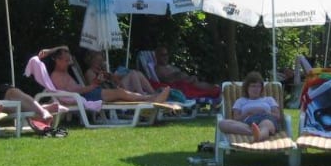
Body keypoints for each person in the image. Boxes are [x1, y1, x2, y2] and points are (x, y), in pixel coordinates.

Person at [40, 46, 170, 104]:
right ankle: (151, 99)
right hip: (86, 96)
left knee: (121, 93)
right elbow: (73, 92)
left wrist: (49, 51)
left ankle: (151, 98)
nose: (69, 63)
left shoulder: (64, 72)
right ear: (57, 60)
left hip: (88, 93)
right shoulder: (56, 76)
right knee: (121, 93)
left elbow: (65, 48)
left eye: (69, 60)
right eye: (66, 61)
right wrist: (92, 86)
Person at [217, 71, 282, 142]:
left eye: (259, 86)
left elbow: (278, 117)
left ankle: (259, 135)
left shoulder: (269, 99)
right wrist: (247, 114)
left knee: (265, 124)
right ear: (247, 87)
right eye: (253, 86)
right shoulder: (240, 101)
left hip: (266, 119)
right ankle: (255, 132)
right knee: (222, 124)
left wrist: (265, 112)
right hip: (248, 123)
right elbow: (236, 118)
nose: (256, 89)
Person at [153, 46, 221, 99]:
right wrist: (182, 78)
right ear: (157, 56)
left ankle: (215, 89)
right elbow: (167, 81)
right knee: (197, 84)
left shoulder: (169, 66)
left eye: (166, 54)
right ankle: (215, 90)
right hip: (182, 86)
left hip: (187, 81)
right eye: (162, 55)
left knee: (197, 82)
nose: (165, 57)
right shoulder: (158, 68)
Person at [84, 50, 158, 95]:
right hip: (110, 93)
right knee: (133, 74)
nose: (100, 63)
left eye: (101, 61)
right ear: (91, 61)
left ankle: (154, 94)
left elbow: (116, 81)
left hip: (116, 89)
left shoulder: (102, 71)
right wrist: (101, 78)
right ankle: (143, 97)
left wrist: (109, 75)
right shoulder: (90, 72)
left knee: (137, 73)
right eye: (98, 61)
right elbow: (93, 88)